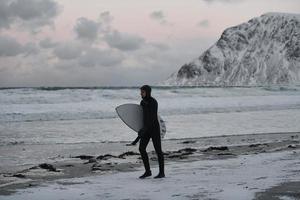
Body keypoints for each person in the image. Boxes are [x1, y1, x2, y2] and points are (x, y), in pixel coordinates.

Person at [127, 85, 165, 179]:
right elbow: (141, 117)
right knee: (141, 148)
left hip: (154, 128)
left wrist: (144, 129)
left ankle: (162, 173)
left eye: (142, 92)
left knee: (158, 150)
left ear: (147, 92)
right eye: (141, 92)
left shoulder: (153, 102)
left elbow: (152, 118)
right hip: (146, 129)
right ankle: (148, 171)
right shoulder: (142, 102)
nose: (141, 93)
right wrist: (141, 129)